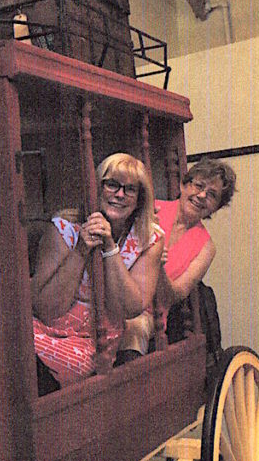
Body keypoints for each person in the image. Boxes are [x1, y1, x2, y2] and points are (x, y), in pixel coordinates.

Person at [31, 153, 164, 391]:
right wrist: (81, 250)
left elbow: (130, 308)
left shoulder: (149, 238)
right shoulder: (63, 227)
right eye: (112, 184)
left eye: (130, 189)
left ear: (139, 199)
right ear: (97, 188)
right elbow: (46, 309)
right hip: (43, 331)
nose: (120, 194)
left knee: (54, 378)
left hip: (91, 341)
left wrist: (110, 247)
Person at [117, 158, 238, 359]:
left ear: (216, 207)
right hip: (116, 296)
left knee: (133, 329)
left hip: (147, 315)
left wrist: (159, 266)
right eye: (198, 186)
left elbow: (174, 296)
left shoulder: (207, 248)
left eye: (212, 195)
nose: (201, 196)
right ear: (184, 184)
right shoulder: (151, 209)